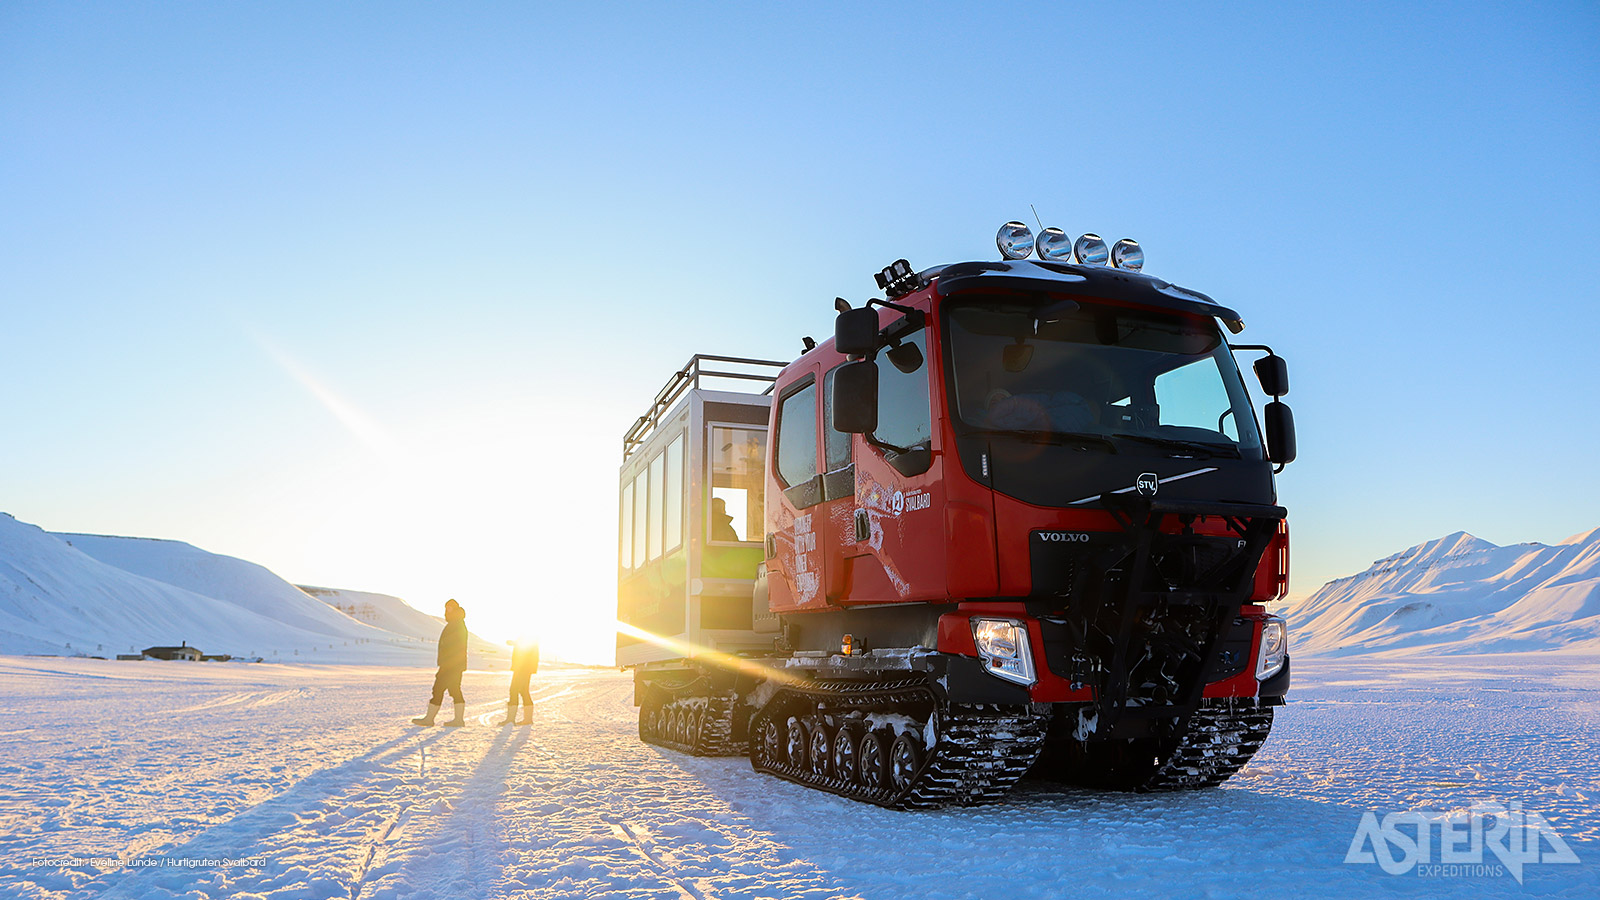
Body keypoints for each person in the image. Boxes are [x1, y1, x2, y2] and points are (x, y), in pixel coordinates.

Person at [412, 598, 468, 727]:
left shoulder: (457, 624)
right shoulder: (456, 623)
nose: (447, 610)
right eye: (446, 607)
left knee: (438, 689)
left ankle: (429, 719)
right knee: (454, 690)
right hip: (453, 664)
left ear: (455, 609)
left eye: (450, 608)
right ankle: (457, 720)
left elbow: (455, 646)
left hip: (451, 664)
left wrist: (448, 663)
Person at [499, 636, 541, 725]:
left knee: (514, 690)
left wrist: (515, 643)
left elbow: (526, 647)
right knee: (524, 691)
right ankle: (527, 720)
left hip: (522, 667)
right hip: (526, 667)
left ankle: (510, 719)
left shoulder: (528, 634)